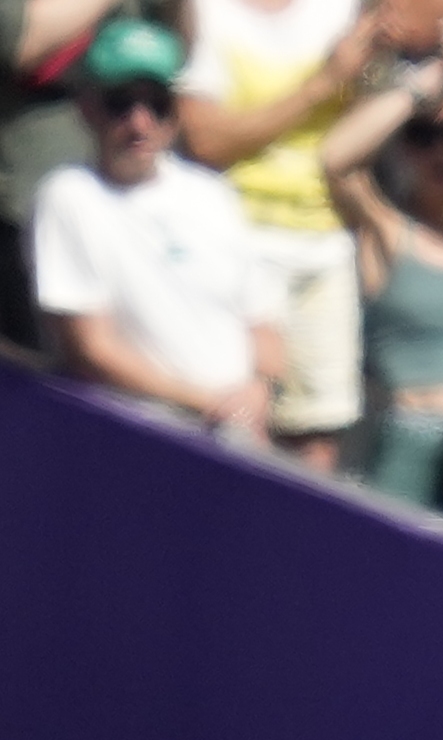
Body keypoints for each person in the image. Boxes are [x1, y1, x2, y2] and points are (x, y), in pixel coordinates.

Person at [28, 21, 284, 448]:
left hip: (236, 437)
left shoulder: (213, 194)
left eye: (158, 105)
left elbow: (265, 321)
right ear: (88, 109)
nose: (139, 123)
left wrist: (258, 391)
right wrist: (207, 402)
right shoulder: (69, 197)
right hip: (134, 437)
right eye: (120, 104)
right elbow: (90, 347)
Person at [176, 0, 373, 469]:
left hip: (327, 248)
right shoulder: (209, 11)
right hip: (239, 242)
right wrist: (324, 83)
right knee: (235, 422)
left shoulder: (345, 9)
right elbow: (207, 140)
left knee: (318, 436)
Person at [319, 57, 443, 508]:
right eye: (422, 136)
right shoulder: (387, 229)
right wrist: (424, 85)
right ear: (402, 147)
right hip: (404, 441)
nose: (441, 152)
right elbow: (335, 159)